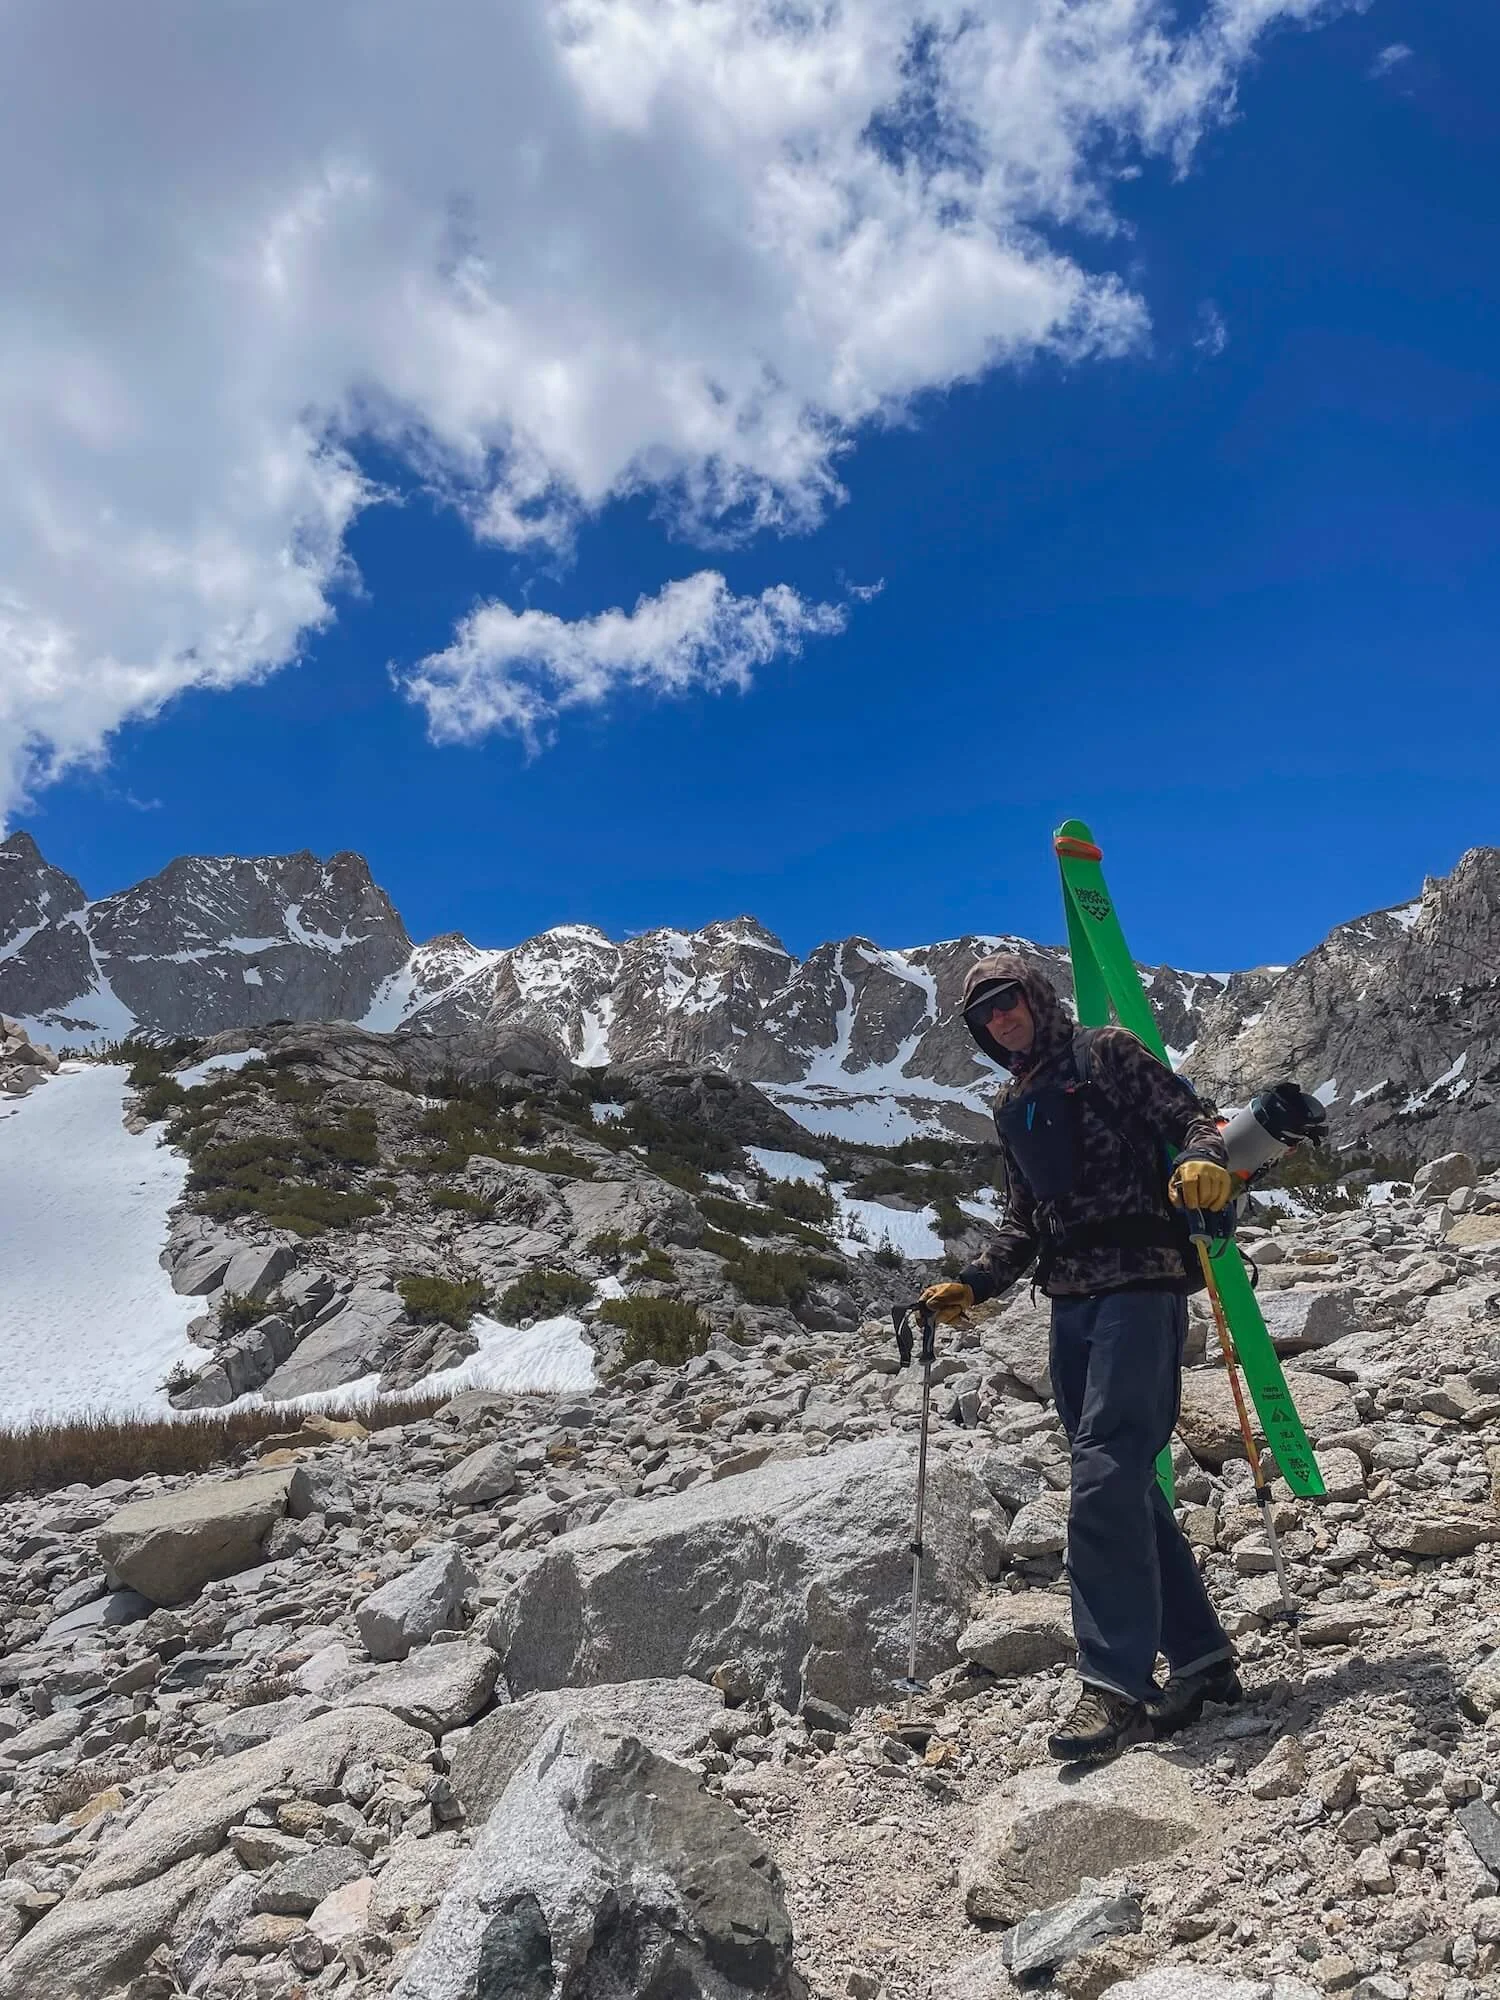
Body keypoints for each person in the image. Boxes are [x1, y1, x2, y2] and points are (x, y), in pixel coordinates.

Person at [921, 952, 1243, 1761]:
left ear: (1034, 996)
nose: (1000, 1018)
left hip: (1142, 1284)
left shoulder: (1107, 1052)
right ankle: (1202, 1663)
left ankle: (1115, 1688)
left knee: (1104, 1470)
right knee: (1120, 1480)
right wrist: (971, 1284)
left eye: (1007, 1000)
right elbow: (1022, 1221)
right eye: (984, 1013)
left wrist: (1204, 1159)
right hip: (1070, 1306)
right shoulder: (1012, 1102)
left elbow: (1191, 1122)